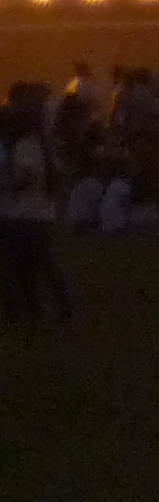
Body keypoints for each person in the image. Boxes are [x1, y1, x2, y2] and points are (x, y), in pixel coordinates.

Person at [1, 86, 66, 325]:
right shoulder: (37, 145)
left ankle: (32, 312)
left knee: (26, 267)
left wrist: (6, 184)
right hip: (30, 213)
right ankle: (35, 311)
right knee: (32, 266)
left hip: (24, 214)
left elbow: (26, 179)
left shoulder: (27, 146)